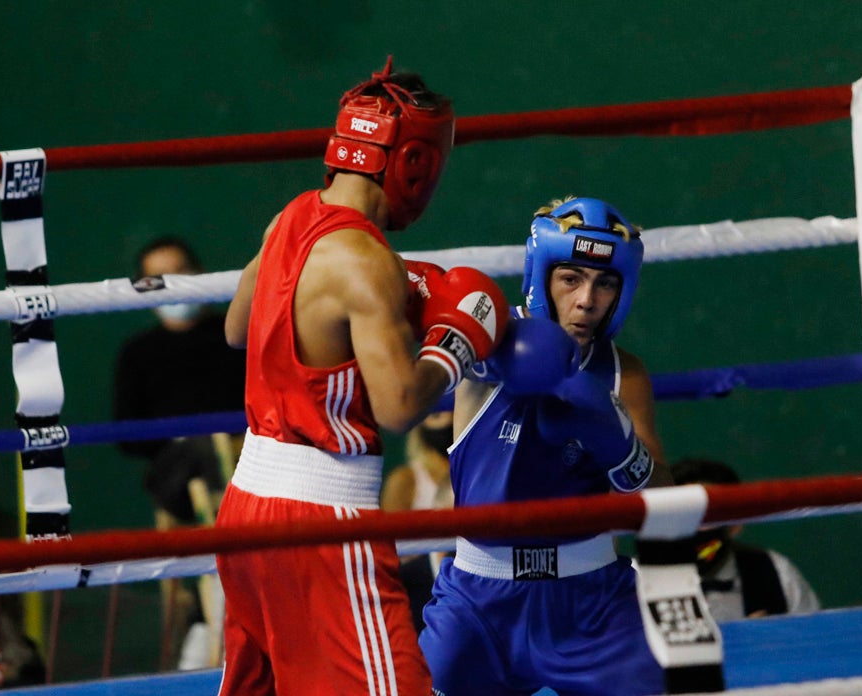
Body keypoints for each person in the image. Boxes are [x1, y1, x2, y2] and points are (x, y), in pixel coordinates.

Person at [215, 57, 509, 696]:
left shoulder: (290, 218)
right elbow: (401, 404)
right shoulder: (365, 260)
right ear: (413, 162)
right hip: (321, 520)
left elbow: (238, 329)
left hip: (244, 507)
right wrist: (453, 343)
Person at [419, 196, 667, 696]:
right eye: (571, 279)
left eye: (605, 283)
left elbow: (666, 495)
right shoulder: (486, 338)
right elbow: (404, 383)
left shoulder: (623, 372)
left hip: (592, 601)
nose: (587, 300)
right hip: (478, 602)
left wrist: (621, 447)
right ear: (541, 277)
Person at [112, 235, 246, 670]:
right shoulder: (138, 352)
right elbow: (127, 435)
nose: (170, 285)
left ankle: (216, 618)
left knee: (223, 450)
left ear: (201, 277)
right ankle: (213, 614)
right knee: (201, 453)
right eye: (157, 278)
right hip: (177, 481)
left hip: (248, 467)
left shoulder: (236, 337)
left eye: (180, 274)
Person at [667, 458, 821, 623]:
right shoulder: (639, 580)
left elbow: (816, 640)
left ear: (736, 524)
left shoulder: (775, 573)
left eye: (706, 516)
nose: (693, 527)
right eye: (683, 515)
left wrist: (777, 638)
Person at [381, 410, 455, 633]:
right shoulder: (405, 481)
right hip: (421, 590)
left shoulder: (480, 473)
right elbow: (387, 554)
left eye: (448, 406)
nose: (442, 414)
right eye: (434, 412)